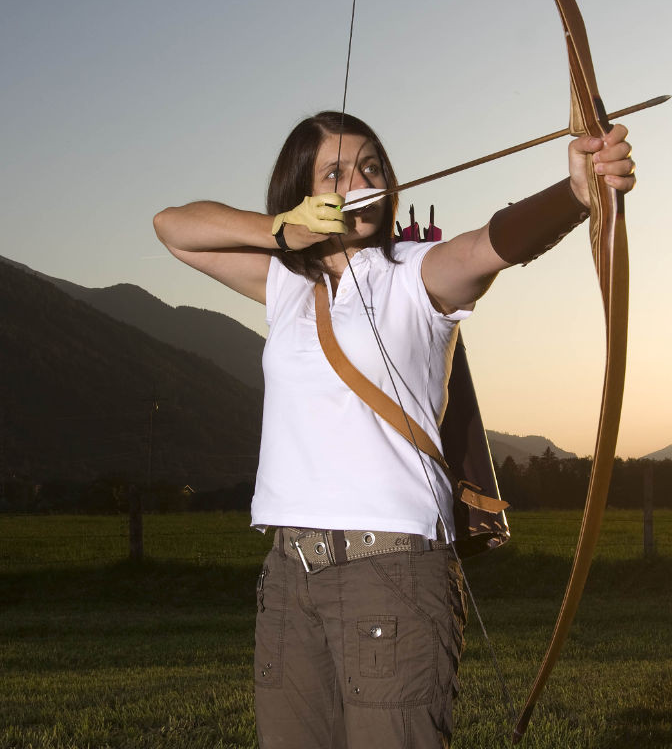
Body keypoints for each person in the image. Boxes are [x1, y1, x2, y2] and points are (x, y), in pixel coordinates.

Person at [153, 110, 636, 748]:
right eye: (336, 171)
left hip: (392, 573)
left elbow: (487, 245)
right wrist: (280, 230)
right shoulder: (286, 284)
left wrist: (575, 194)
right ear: (304, 191)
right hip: (289, 573)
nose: (360, 180)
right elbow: (174, 229)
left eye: (371, 166)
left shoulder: (416, 273)